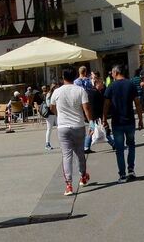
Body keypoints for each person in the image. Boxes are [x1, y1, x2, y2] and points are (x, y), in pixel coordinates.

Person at [49, 67, 93, 196]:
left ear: (63, 77)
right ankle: (83, 176)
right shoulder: (80, 90)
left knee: (67, 155)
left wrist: (59, 114)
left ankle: (68, 184)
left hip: (63, 127)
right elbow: (86, 108)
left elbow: (52, 108)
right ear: (75, 77)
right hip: (78, 125)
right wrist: (91, 123)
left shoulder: (57, 92)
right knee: (80, 153)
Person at [103, 65, 138, 182]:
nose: (111, 75)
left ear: (115, 73)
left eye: (112, 73)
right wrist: (140, 119)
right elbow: (137, 102)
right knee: (131, 145)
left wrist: (104, 119)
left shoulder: (111, 86)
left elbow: (106, 104)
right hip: (130, 120)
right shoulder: (131, 84)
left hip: (117, 122)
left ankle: (122, 174)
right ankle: (131, 169)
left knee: (119, 149)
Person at [41, 85, 57, 151]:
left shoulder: (56, 93)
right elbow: (48, 105)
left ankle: (63, 143)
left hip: (56, 113)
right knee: (49, 129)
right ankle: (47, 144)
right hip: (50, 114)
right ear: (52, 88)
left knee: (60, 128)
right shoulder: (49, 94)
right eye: (55, 87)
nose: (57, 88)